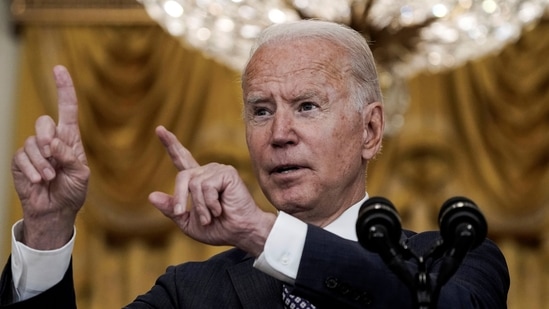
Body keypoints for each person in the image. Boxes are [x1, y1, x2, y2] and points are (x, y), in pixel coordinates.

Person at [1, 20, 509, 308]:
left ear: (370, 131)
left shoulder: (456, 260)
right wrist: (47, 229)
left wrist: (262, 234)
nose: (280, 133)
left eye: (307, 106)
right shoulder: (190, 294)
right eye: (261, 111)